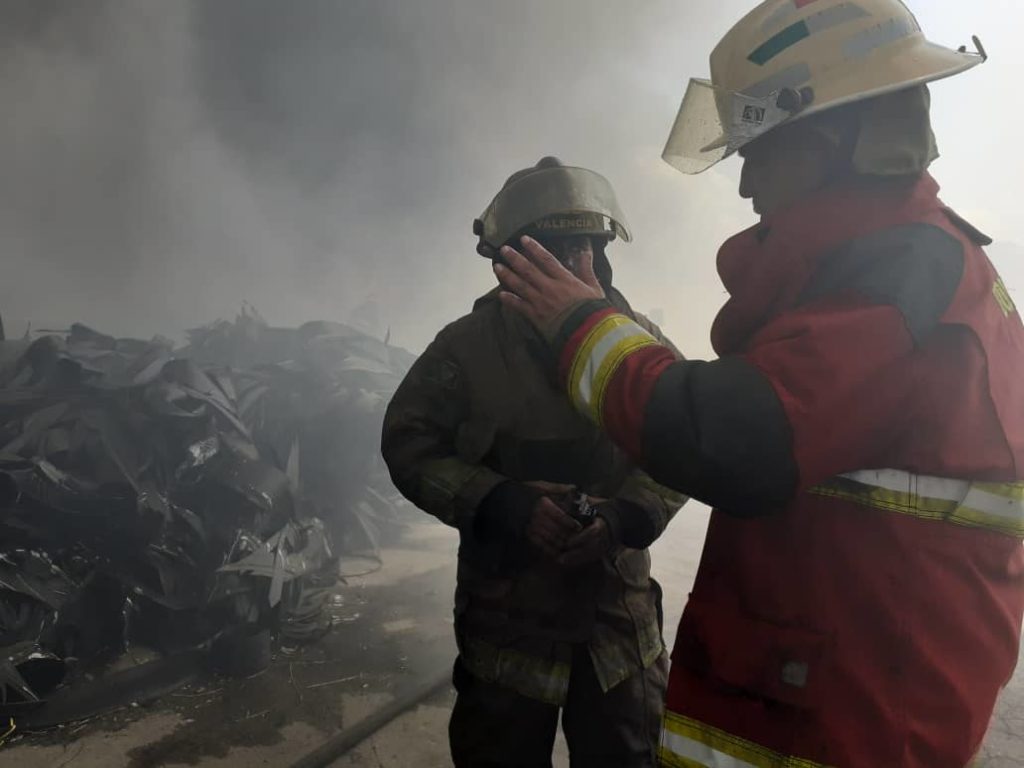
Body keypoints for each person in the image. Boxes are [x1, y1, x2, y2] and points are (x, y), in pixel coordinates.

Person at [491, 2, 1024, 767]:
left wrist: (583, 331)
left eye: (758, 151)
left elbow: (735, 438)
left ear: (829, 139)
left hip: (853, 719)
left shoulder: (904, 277)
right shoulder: (910, 267)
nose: (745, 184)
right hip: (844, 694)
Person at [381, 157, 686, 768]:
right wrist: (504, 502)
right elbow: (409, 444)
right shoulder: (465, 350)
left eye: (589, 249)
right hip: (507, 634)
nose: (579, 269)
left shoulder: (636, 342)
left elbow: (681, 445)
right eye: (555, 252)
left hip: (617, 637)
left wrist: (624, 518)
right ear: (511, 262)